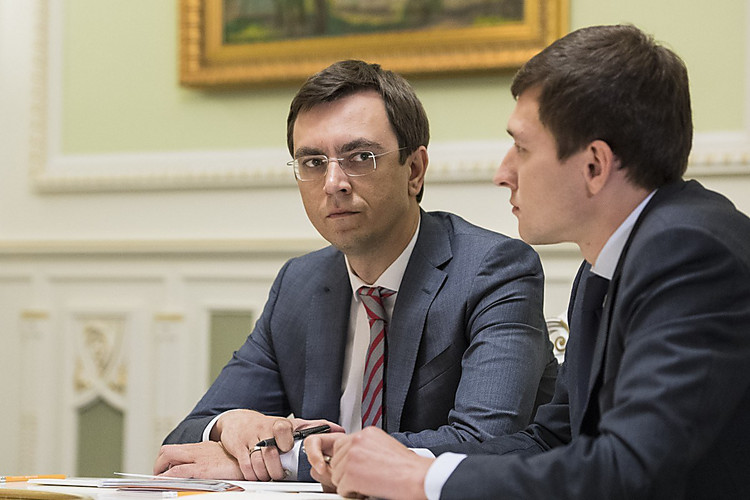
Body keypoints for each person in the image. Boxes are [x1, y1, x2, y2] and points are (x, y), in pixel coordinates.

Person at [304, 25, 750, 499]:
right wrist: (399, 462)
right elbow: (553, 439)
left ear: (594, 166)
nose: (503, 173)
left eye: (521, 147)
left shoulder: (690, 254)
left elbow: (631, 471)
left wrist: (420, 480)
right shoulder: (605, 263)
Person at [153, 60, 558, 483]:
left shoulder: (493, 270)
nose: (333, 182)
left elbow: (484, 442)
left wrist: (290, 462)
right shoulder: (299, 284)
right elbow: (186, 438)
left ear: (414, 171)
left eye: (361, 157)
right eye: (313, 162)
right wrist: (231, 424)